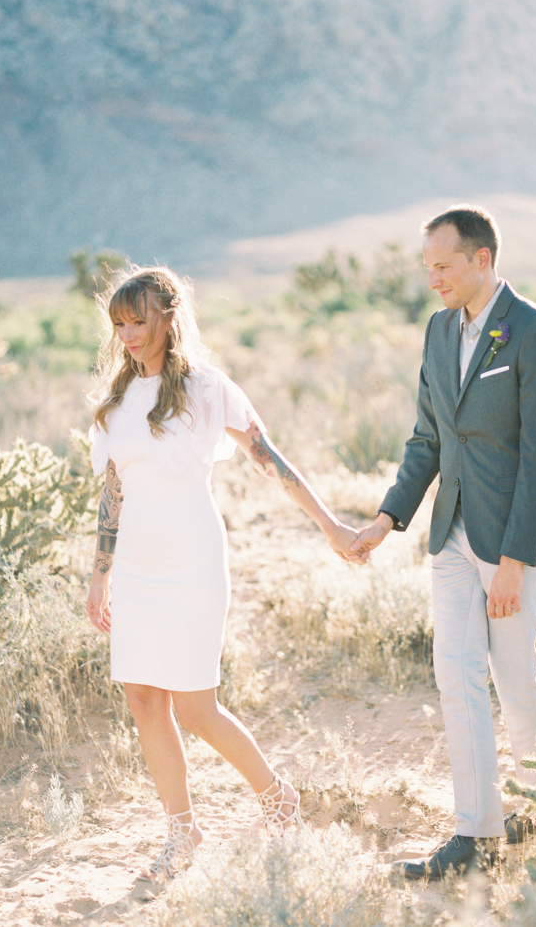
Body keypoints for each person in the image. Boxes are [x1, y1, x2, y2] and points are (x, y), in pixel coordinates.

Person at [85, 266, 360, 882]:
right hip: (134, 567)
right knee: (142, 698)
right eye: (120, 323)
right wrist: (99, 572)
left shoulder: (207, 390)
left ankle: (276, 795)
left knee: (197, 707)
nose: (129, 334)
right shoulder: (116, 404)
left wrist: (330, 525)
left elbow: (273, 462)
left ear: (168, 317)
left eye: (140, 320)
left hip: (193, 561)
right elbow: (112, 494)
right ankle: (182, 833)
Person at [351, 205, 536, 879]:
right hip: (448, 534)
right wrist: (385, 521)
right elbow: (429, 438)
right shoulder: (438, 330)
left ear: (482, 259)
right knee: (457, 676)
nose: (433, 280)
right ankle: (475, 836)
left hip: (511, 540)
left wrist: (514, 558)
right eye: (427, 268)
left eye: (443, 266)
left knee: (514, 679)